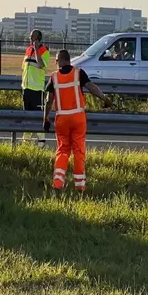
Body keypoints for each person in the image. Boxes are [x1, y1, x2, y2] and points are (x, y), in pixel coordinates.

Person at [43, 49, 113, 191]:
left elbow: (49, 101)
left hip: (62, 119)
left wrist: (45, 118)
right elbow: (92, 87)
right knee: (79, 150)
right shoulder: (78, 73)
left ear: (60, 60)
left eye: (56, 61)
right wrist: (105, 99)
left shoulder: (54, 77)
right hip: (78, 118)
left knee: (62, 149)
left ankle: (58, 183)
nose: (56, 64)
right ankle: (80, 186)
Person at [21, 29, 50, 147]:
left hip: (37, 89)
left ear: (37, 39)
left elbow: (40, 64)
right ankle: (26, 141)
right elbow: (24, 67)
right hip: (26, 87)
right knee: (26, 115)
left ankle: (41, 141)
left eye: (32, 37)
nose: (30, 39)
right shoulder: (28, 50)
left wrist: (37, 49)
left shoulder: (44, 51)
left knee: (38, 115)